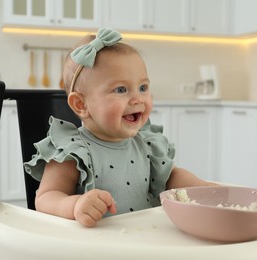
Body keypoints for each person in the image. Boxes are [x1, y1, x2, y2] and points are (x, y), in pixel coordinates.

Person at [24, 28, 217, 227]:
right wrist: (75, 205)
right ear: (81, 105)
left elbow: (171, 176)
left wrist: (198, 187)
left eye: (143, 87)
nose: (137, 99)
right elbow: (45, 198)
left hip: (143, 236)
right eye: (121, 89)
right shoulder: (73, 150)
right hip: (95, 246)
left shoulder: (146, 143)